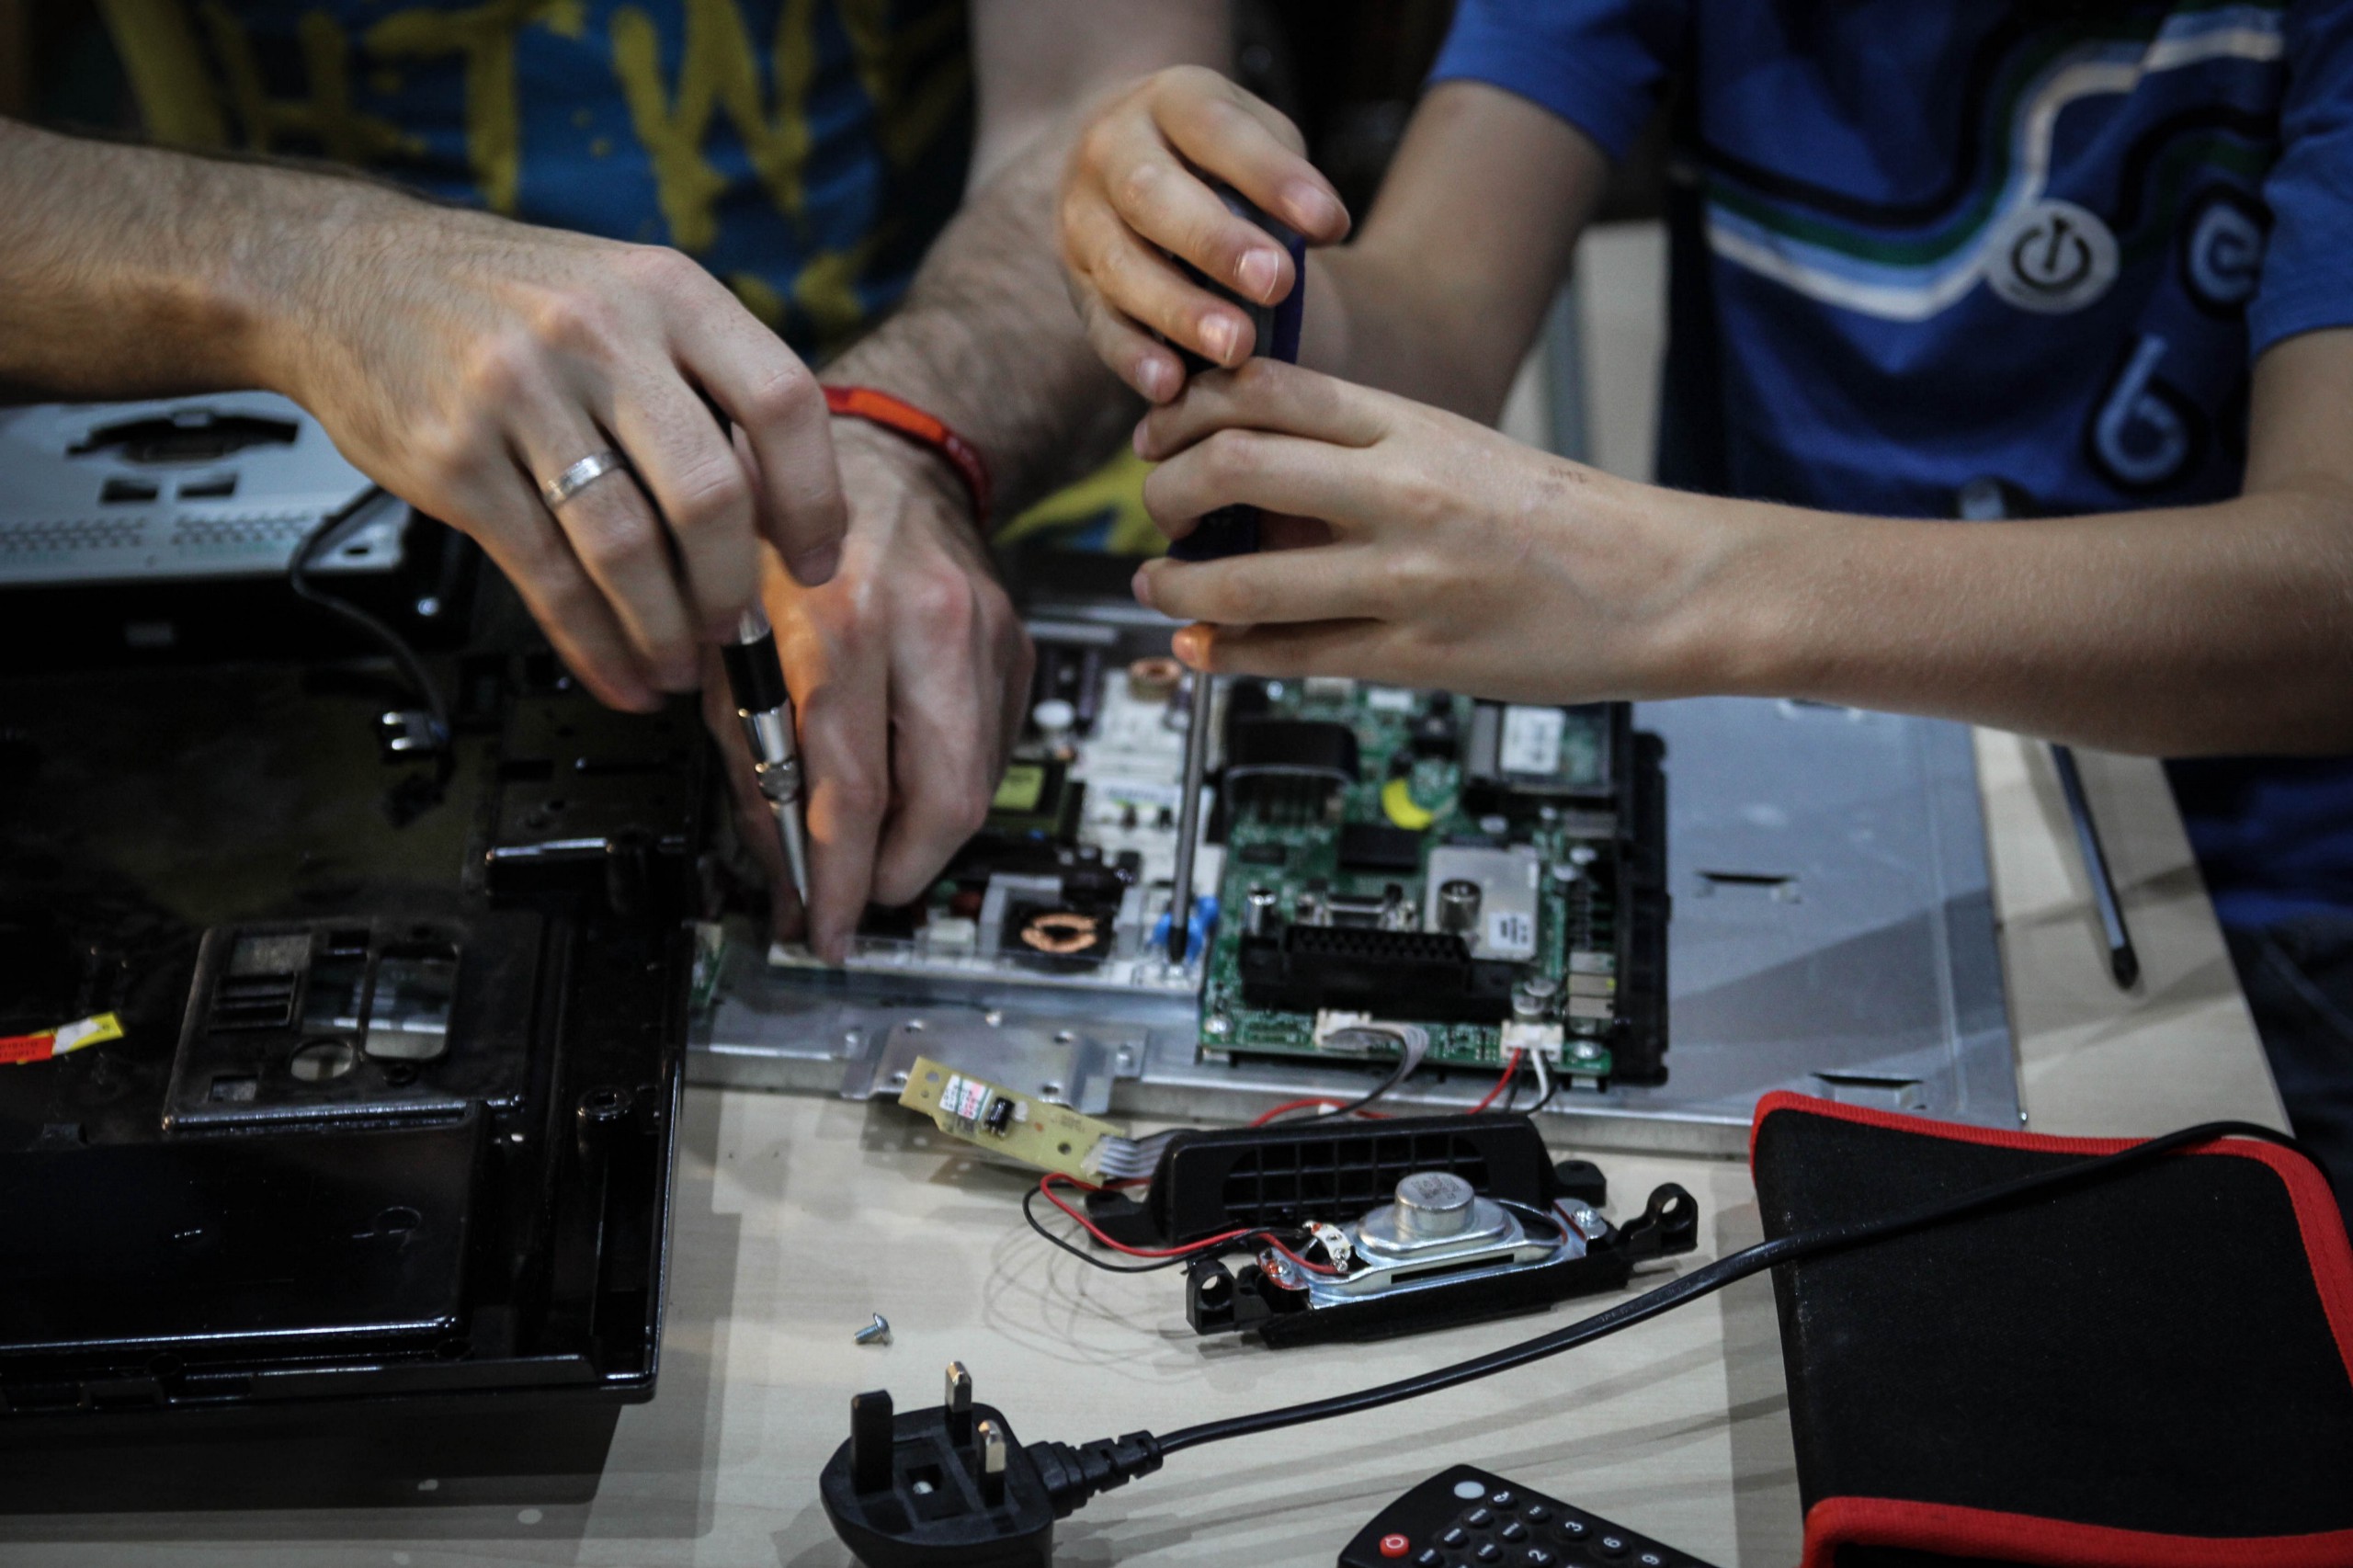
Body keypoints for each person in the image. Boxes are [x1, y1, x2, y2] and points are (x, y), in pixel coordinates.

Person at [1057, 5, 2353, 1219]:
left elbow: (2326, 586)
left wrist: (1673, 583)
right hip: (1770, 799)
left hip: (2234, 907)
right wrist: (1233, 279)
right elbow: (1431, 320)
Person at [0, 0, 1223, 960]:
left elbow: (1113, 117)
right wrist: (300, 271)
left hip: (971, 488)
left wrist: (914, 426)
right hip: (296, 565)